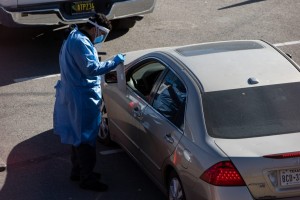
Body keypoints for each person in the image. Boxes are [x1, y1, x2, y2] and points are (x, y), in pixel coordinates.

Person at [53, 13, 125, 192]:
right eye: (101, 33)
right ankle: (87, 178)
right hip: (82, 97)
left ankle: (78, 171)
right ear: (94, 29)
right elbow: (91, 69)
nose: (100, 37)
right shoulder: (80, 42)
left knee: (77, 136)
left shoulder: (74, 36)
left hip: (74, 93)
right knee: (85, 139)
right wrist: (114, 62)